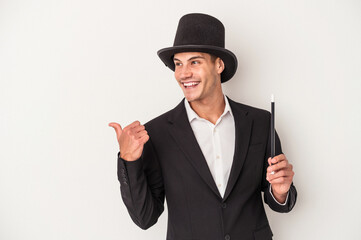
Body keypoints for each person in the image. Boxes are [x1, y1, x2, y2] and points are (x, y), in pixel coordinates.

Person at [109, 13, 297, 240]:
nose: (183, 73)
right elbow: (145, 218)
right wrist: (130, 161)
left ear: (219, 64)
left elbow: (278, 200)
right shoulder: (157, 133)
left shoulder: (260, 122)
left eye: (194, 62)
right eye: (178, 64)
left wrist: (280, 191)